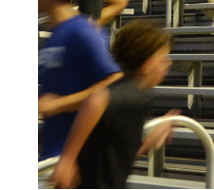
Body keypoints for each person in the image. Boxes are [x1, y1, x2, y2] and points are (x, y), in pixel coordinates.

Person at [51, 21, 180, 189]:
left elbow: (117, 159)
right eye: (163, 59)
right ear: (147, 65)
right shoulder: (131, 95)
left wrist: (149, 141)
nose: (168, 63)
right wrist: (67, 160)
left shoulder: (133, 94)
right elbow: (96, 100)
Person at [38, 0, 123, 162]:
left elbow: (114, 85)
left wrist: (58, 104)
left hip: (77, 161)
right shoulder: (53, 35)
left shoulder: (81, 31)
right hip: (53, 157)